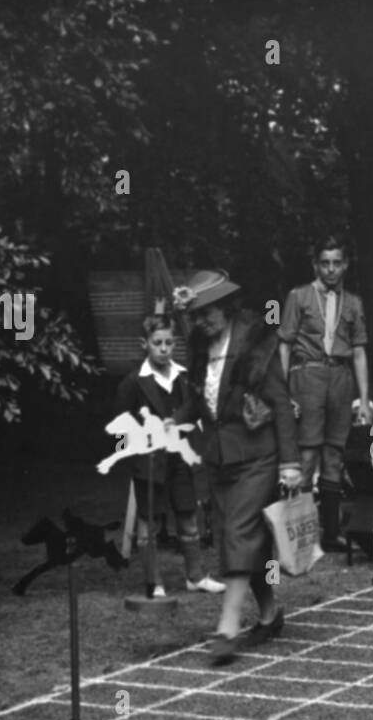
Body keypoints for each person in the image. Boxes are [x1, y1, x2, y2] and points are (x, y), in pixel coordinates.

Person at [177, 271, 302, 665]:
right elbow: (197, 403)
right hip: (219, 459)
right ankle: (268, 614)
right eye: (196, 315)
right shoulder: (199, 350)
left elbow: (280, 404)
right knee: (250, 543)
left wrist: (291, 464)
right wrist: (171, 422)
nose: (202, 320)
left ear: (226, 308)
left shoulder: (255, 342)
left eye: (208, 311)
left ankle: (228, 624)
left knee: (238, 531)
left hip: (259, 456)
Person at [114, 312, 224, 597]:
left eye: (169, 343)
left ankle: (195, 576)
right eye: (157, 343)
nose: (164, 349)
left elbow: (196, 410)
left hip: (180, 459)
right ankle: (155, 582)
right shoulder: (133, 383)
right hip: (149, 463)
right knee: (148, 523)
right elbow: (120, 428)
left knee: (188, 516)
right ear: (145, 344)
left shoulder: (184, 378)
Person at [278, 236, 373, 552]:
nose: (331, 269)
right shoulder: (299, 296)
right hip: (308, 375)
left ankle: (331, 533)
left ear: (345, 265)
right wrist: (282, 390)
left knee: (334, 455)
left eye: (337, 263)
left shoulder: (354, 302)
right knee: (306, 456)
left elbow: (359, 352)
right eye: (325, 263)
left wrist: (363, 399)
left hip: (340, 377)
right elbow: (285, 345)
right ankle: (298, 537)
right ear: (316, 264)